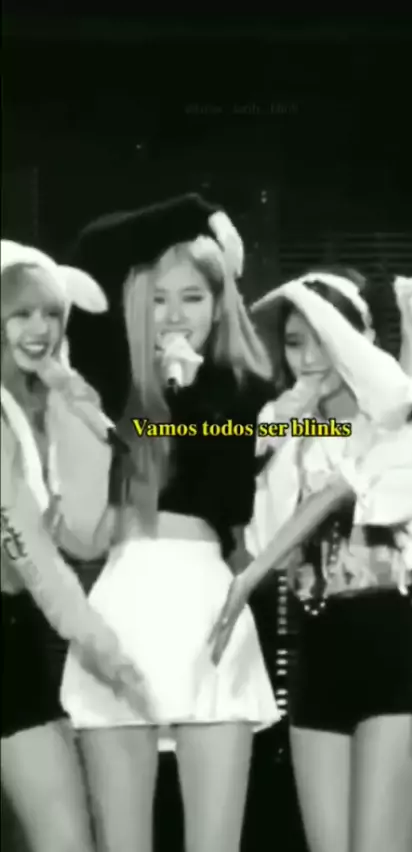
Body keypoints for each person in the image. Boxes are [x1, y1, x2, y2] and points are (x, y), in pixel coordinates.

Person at [212, 259, 412, 852]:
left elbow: (396, 414)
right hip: (316, 649)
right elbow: (261, 534)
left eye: (323, 341)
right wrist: (278, 438)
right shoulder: (285, 425)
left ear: (357, 342)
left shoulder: (391, 418)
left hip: (392, 645)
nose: (309, 359)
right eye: (293, 343)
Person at [60, 193, 281, 852]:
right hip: (125, 601)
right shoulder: (115, 376)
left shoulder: (246, 391)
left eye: (192, 297)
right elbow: (96, 247)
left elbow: (254, 470)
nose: (175, 314)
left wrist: (196, 397)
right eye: (158, 299)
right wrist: (199, 211)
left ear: (220, 304)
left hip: (208, 604)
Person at [1, 240, 152, 852]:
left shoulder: (39, 407)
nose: (39, 329)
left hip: (15, 631)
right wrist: (97, 642)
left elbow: (83, 535)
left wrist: (69, 396)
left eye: (51, 314)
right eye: (20, 313)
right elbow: (24, 541)